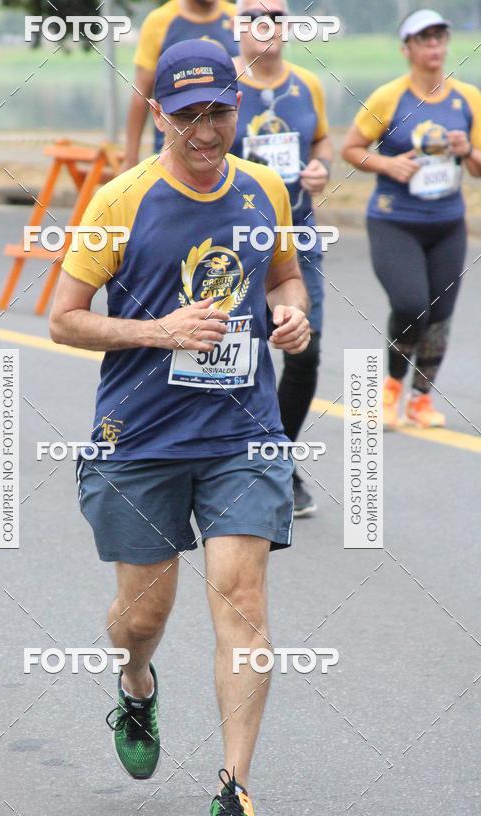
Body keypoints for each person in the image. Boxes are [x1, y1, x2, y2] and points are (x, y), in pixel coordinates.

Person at [50, 39, 310, 816]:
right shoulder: (121, 199)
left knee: (244, 600)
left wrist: (293, 316)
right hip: (142, 439)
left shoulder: (265, 187)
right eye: (188, 113)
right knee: (141, 617)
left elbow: (283, 279)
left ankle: (234, 790)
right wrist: (157, 331)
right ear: (157, 112)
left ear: (239, 107)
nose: (205, 129)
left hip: (242, 433)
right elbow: (63, 316)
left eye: (220, 111)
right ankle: (135, 681)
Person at [342, 8, 481, 429]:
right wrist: (388, 166)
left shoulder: (468, 99)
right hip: (394, 219)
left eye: (440, 38)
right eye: (425, 39)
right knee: (411, 304)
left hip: (447, 223)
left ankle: (421, 399)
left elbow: (477, 167)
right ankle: (392, 385)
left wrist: (466, 150)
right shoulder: (389, 97)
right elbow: (351, 149)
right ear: (407, 49)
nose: (435, 46)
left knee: (440, 316)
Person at [231, 0, 332, 515]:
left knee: (304, 349)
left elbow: (322, 141)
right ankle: (228, 464)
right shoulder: (220, 83)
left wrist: (319, 169)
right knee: (238, 355)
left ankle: (278, 457)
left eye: (276, 13)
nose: (265, 23)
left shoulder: (307, 84)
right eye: (254, 14)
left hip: (298, 235)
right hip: (231, 239)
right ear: (237, 25)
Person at [124, 0, 237, 169]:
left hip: (228, 148)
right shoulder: (159, 21)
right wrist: (130, 160)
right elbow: (141, 95)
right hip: (176, 147)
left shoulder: (237, 17)